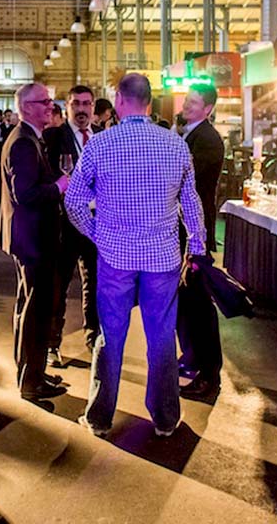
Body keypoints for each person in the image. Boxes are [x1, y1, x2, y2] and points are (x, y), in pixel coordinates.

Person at [65, 73, 205, 438]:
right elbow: (191, 202)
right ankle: (165, 419)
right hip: (163, 259)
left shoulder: (100, 144)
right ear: (150, 102)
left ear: (118, 100)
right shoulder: (175, 145)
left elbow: (74, 201)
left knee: (110, 336)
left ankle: (99, 417)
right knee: (161, 338)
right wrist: (197, 245)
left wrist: (98, 234)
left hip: (115, 258)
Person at [0, 82, 69, 403]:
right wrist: (59, 186)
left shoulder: (29, 138)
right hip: (33, 238)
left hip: (31, 236)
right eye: (44, 101)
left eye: (50, 101)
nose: (50, 106)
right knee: (36, 310)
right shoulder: (23, 142)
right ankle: (31, 382)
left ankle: (32, 372)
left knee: (29, 306)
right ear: (27, 107)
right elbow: (25, 194)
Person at [42, 85, 99, 367]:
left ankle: (94, 338)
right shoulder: (53, 137)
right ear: (67, 107)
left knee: (95, 283)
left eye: (86, 104)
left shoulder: (102, 138)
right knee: (58, 284)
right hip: (64, 223)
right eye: (76, 103)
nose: (81, 109)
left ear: (93, 108)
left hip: (96, 223)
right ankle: (52, 343)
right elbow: (48, 177)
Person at [175, 84, 226, 402]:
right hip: (183, 229)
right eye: (186, 100)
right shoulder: (188, 135)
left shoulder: (208, 139)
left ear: (207, 109)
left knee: (199, 304)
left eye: (193, 102)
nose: (186, 105)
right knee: (185, 301)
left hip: (196, 231)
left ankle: (209, 373)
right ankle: (193, 357)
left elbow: (186, 179)